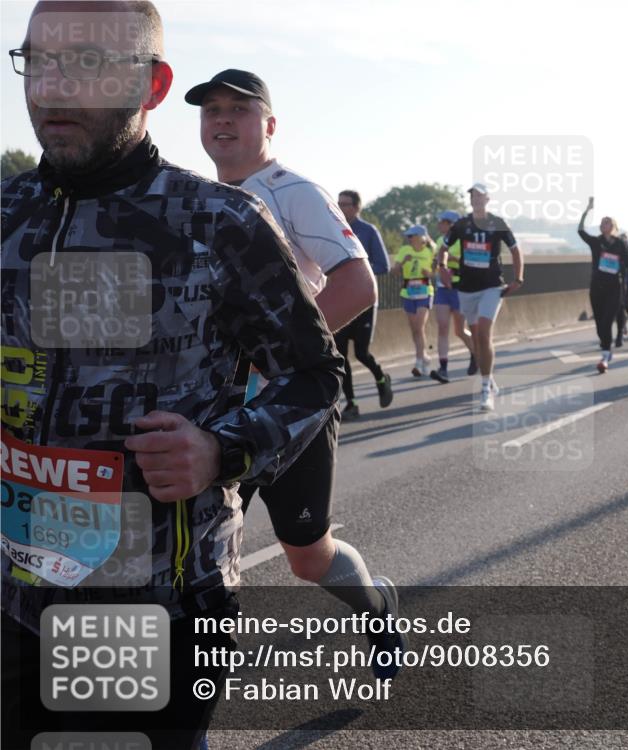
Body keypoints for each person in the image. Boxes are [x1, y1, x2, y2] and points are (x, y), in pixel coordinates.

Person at [0, 5, 399, 748]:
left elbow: (314, 376)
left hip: (151, 601)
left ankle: (372, 604)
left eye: (88, 64)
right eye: (39, 61)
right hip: (14, 593)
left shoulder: (221, 220)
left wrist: (222, 449)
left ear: (151, 85)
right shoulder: (6, 212)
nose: (55, 87)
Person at [188, 69, 405, 677]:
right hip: (216, 410)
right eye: (211, 111)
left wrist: (277, 360)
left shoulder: (293, 190)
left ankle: (375, 604)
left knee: (307, 558)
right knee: (199, 549)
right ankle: (190, 701)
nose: (223, 120)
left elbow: (358, 282)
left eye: (239, 109)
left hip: (288, 408)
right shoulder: (202, 199)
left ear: (270, 124)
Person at [439, 183, 523, 411]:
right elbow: (444, 248)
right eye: (472, 195)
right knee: (475, 337)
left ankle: (485, 389)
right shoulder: (461, 224)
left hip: (492, 287)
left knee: (484, 333)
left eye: (480, 195)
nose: (476, 199)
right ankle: (490, 376)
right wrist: (442, 267)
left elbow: (515, 249)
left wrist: (518, 278)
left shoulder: (497, 223)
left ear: (488, 199)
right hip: (466, 288)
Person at [336, 190, 394, 419]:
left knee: (361, 353)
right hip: (340, 301)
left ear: (357, 207)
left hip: (364, 302)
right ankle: (352, 403)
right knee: (340, 356)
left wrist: (359, 274)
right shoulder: (332, 229)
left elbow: (383, 265)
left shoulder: (368, 231)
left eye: (346, 204)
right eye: (338, 203)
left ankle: (381, 378)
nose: (341, 208)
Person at [577, 197, 628, 373]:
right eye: (602, 222)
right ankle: (606, 346)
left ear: (613, 226)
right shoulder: (596, 242)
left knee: (606, 321)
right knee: (599, 323)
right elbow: (580, 231)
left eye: (607, 222)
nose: (603, 224)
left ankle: (605, 354)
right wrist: (587, 211)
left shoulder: (620, 243)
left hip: (615, 287)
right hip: (597, 287)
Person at [430, 210, 476, 384]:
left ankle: (475, 354)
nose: (439, 225)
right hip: (443, 288)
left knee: (459, 330)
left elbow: (468, 262)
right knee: (442, 327)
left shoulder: (464, 240)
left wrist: (452, 260)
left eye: (442, 222)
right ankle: (443, 368)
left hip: (459, 287)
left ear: (452, 224)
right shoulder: (441, 241)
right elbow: (440, 262)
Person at [392, 225, 436, 376]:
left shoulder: (430, 251)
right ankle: (424, 357)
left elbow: (439, 268)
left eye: (412, 236)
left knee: (419, 325)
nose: (409, 239)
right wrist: (403, 262)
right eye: (408, 237)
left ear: (421, 237)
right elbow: (394, 271)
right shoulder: (405, 250)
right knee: (415, 329)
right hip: (408, 292)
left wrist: (429, 273)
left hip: (425, 291)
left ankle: (418, 361)